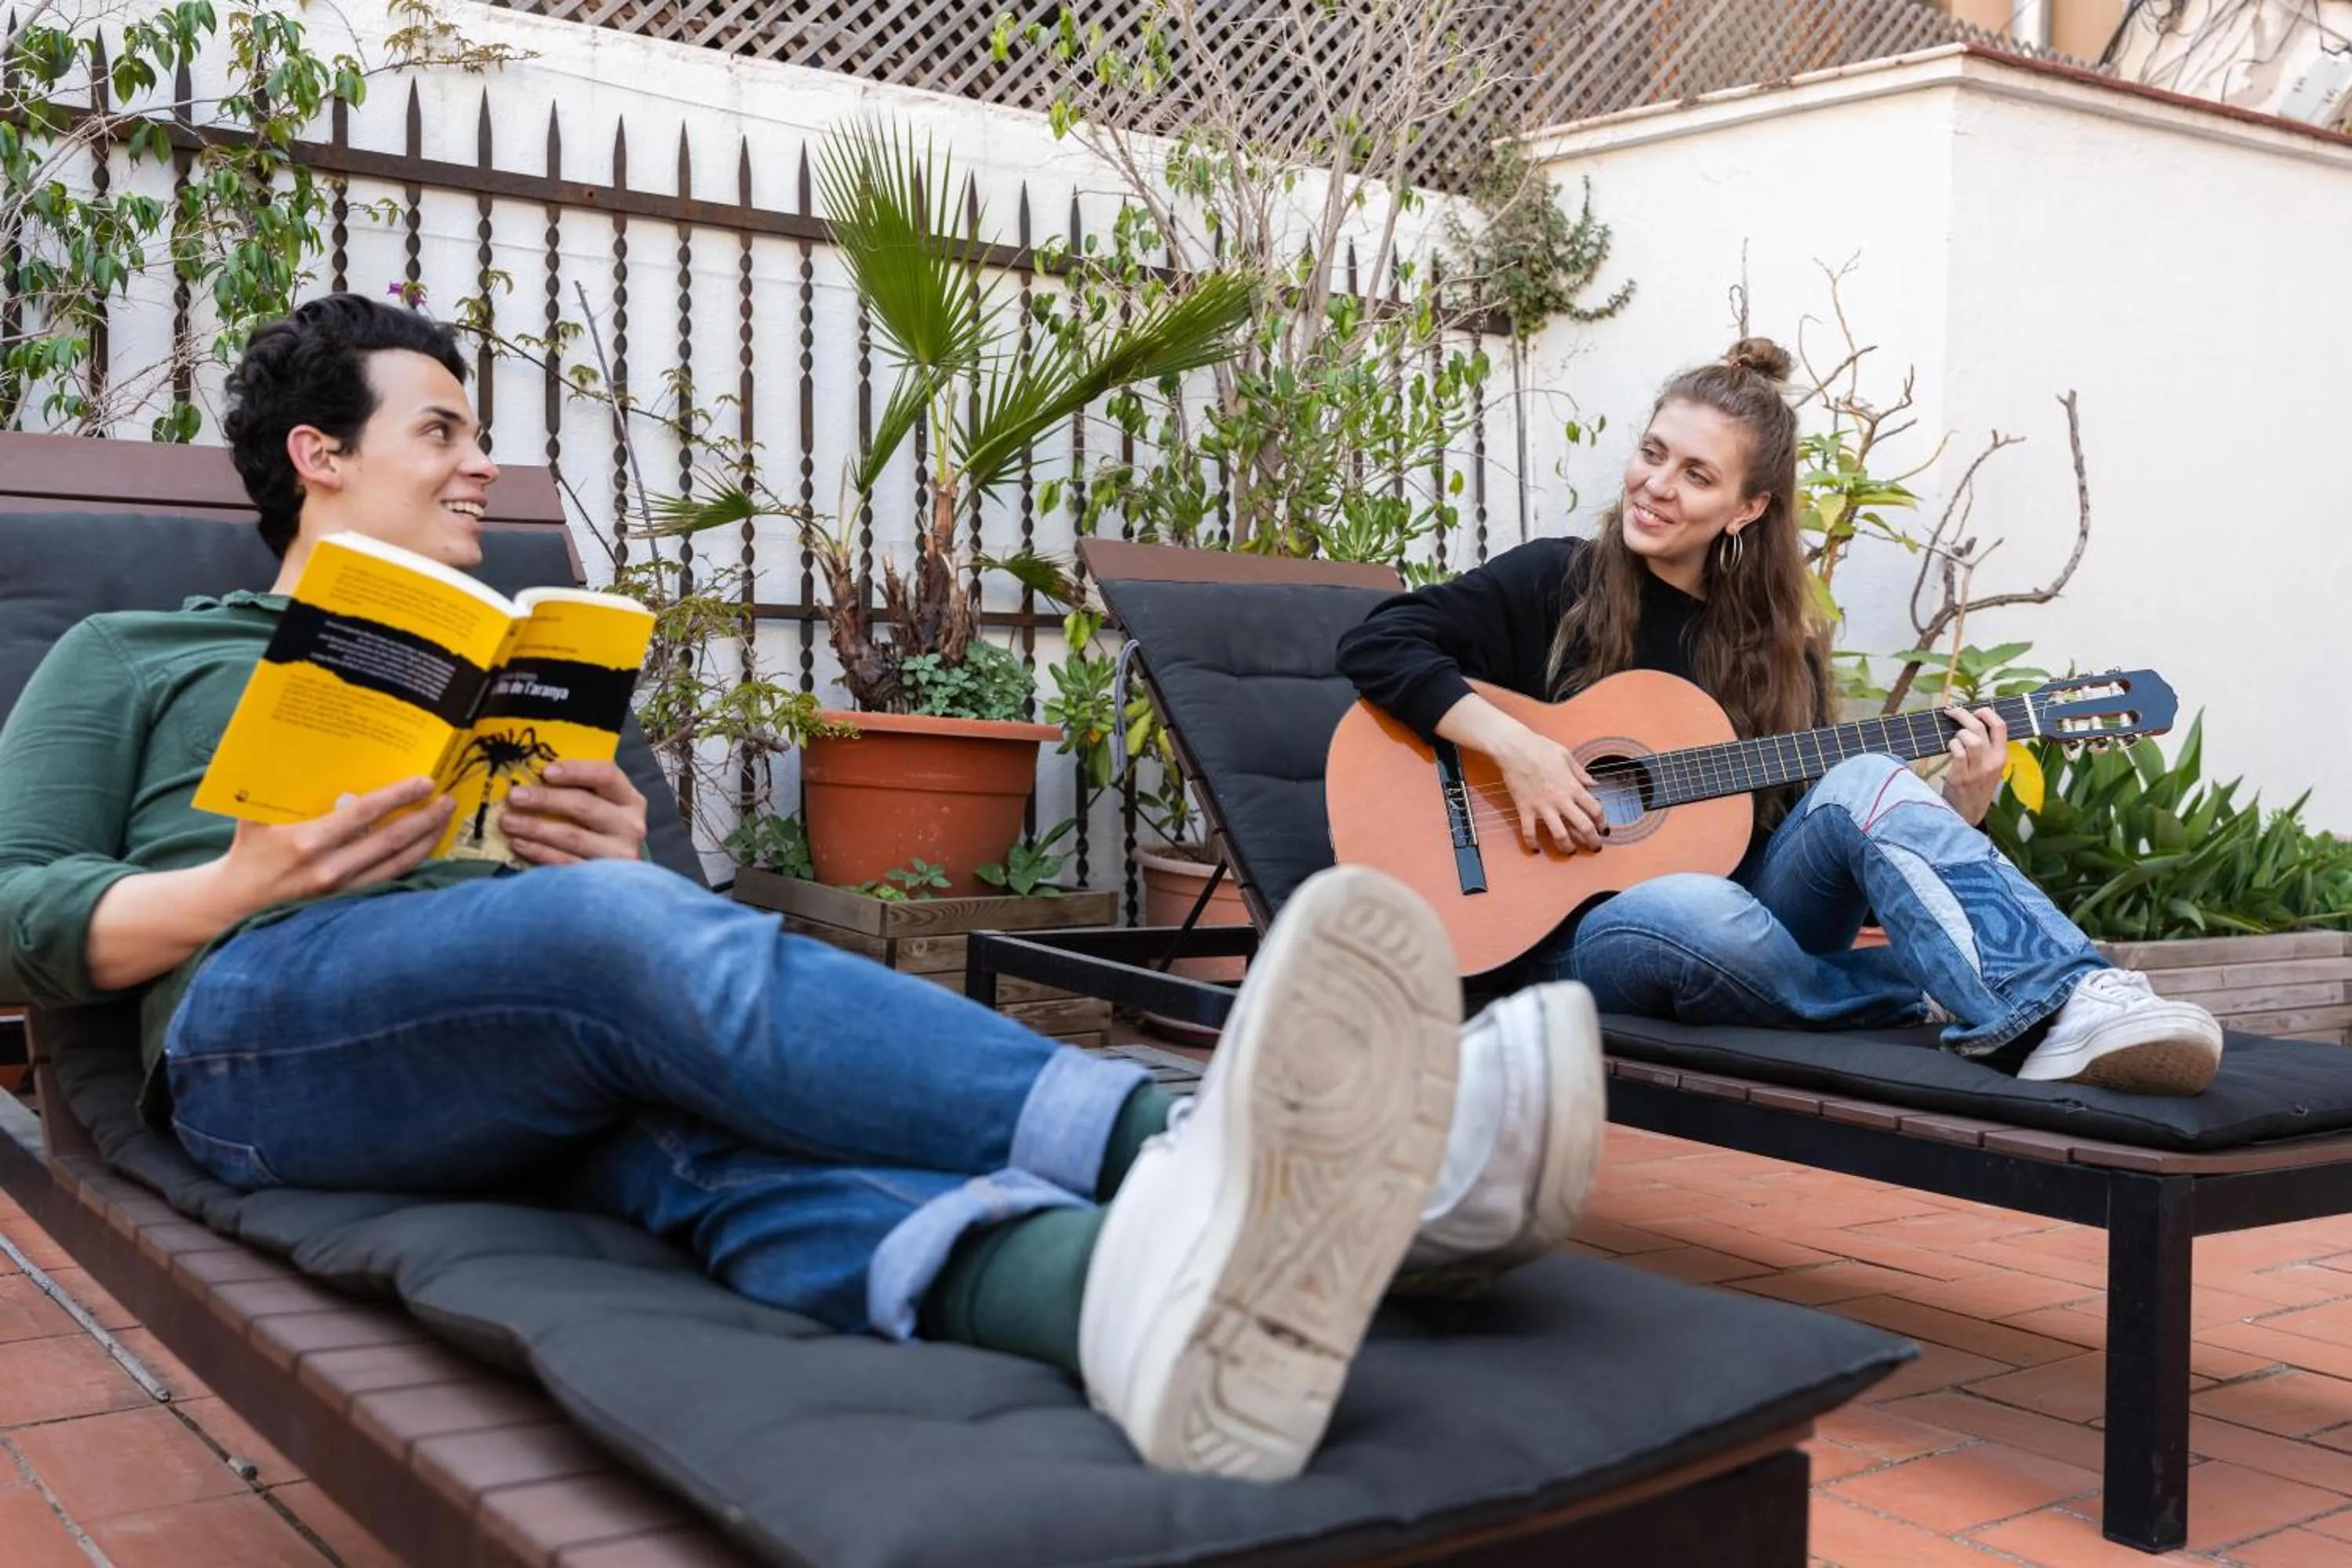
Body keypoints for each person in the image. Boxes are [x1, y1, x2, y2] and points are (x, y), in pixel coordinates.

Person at [0, 294, 1606, 1485]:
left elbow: (603, 925)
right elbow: (14, 902)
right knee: (609, 940)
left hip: (494, 1011)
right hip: (254, 1036)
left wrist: (607, 849)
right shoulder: (133, 655)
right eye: (443, 430)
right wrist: (236, 879)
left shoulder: (497, 661)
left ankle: (1114, 1298)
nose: (482, 464)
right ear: (318, 454)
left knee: (686, 1146)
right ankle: (1215, 1141)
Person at [1338, 337, 2224, 1097]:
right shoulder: (1555, 581)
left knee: (1861, 777)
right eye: (1653, 452)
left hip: (1755, 925)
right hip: (1575, 937)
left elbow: (1810, 844)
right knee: (1695, 908)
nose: (1656, 485)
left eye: (1696, 474)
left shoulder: (1778, 643)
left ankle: (2074, 999)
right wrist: (1522, 749)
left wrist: (1959, 808)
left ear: (1748, 507)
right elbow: (1379, 643)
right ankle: (1935, 989)